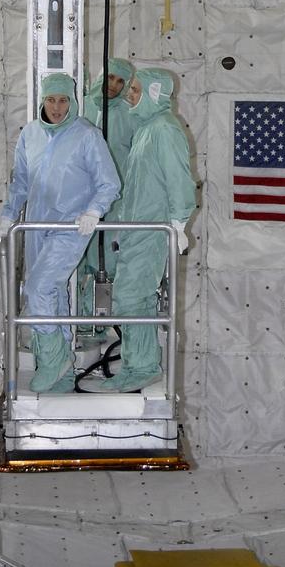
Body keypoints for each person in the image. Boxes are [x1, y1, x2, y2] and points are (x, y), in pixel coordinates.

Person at [0, 72, 120, 393]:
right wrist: (8, 215)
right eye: (51, 100)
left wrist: (94, 211)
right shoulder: (30, 134)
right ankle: (62, 370)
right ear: (42, 101)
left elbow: (109, 182)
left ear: (73, 101)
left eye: (63, 100)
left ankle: (53, 360)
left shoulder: (86, 135)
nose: (56, 107)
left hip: (72, 226)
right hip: (37, 224)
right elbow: (21, 182)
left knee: (38, 289)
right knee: (51, 292)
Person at [96, 68, 197, 392]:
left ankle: (141, 367)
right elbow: (138, 186)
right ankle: (135, 365)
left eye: (137, 91)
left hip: (153, 230)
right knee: (130, 298)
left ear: (155, 94)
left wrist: (179, 224)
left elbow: (180, 181)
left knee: (131, 297)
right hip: (136, 229)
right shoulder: (146, 130)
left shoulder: (165, 130)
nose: (129, 95)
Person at [77, 57, 134, 329]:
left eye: (121, 81)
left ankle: (95, 323)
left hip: (114, 201)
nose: (114, 85)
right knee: (74, 259)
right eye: (111, 77)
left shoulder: (129, 114)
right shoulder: (82, 106)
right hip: (78, 199)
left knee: (109, 261)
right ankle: (73, 322)